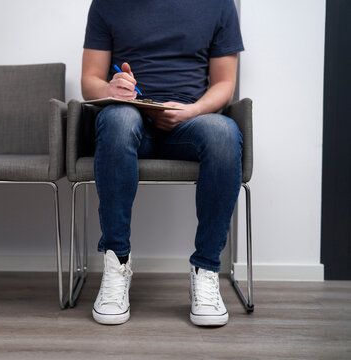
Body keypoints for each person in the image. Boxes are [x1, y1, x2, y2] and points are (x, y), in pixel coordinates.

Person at [81, 0, 244, 326]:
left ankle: (206, 269)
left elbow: (225, 83)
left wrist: (193, 110)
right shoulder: (106, 5)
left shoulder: (219, 5)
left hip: (189, 121)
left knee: (225, 133)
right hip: (130, 120)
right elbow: (90, 81)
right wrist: (111, 89)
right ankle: (117, 263)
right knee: (117, 121)